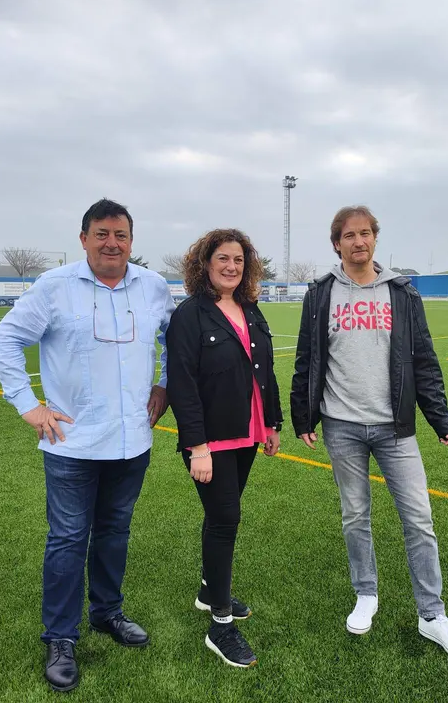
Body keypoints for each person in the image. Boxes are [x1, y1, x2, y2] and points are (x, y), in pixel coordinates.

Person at [0, 198, 175, 692]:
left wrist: (165, 384)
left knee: (115, 532)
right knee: (68, 540)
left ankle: (107, 613)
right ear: (84, 238)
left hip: (133, 439)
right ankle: (60, 638)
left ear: (132, 241)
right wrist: (29, 406)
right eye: (102, 234)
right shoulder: (55, 287)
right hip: (71, 442)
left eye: (121, 235)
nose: (112, 243)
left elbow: (175, 344)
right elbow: (4, 342)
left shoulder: (153, 287)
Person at [289, 205, 448, 663]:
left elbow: (424, 360)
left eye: (366, 233)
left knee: (419, 519)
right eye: (349, 235)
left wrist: (441, 418)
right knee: (356, 515)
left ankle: (431, 615)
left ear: (375, 239)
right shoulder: (320, 294)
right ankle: (366, 594)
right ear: (337, 243)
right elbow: (307, 360)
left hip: (396, 428)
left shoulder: (402, 293)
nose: (359, 241)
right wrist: (303, 417)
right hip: (342, 426)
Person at [166, 228, 283, 669]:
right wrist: (197, 446)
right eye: (223, 259)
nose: (231, 266)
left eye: (238, 260)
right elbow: (182, 383)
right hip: (209, 440)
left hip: (248, 432)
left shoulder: (250, 309)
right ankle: (219, 624)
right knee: (225, 519)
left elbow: (264, 371)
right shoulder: (190, 315)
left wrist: (271, 422)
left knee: (222, 516)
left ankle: (207, 588)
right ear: (205, 264)